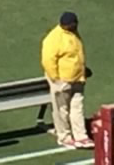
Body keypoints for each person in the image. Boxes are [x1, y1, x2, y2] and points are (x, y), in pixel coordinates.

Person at [40, 11, 92, 149]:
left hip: (77, 79)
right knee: (61, 110)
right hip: (62, 81)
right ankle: (64, 137)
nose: (73, 27)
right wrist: (56, 79)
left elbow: (76, 55)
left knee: (77, 108)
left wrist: (83, 70)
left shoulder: (74, 34)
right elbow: (48, 60)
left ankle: (81, 136)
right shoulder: (54, 38)